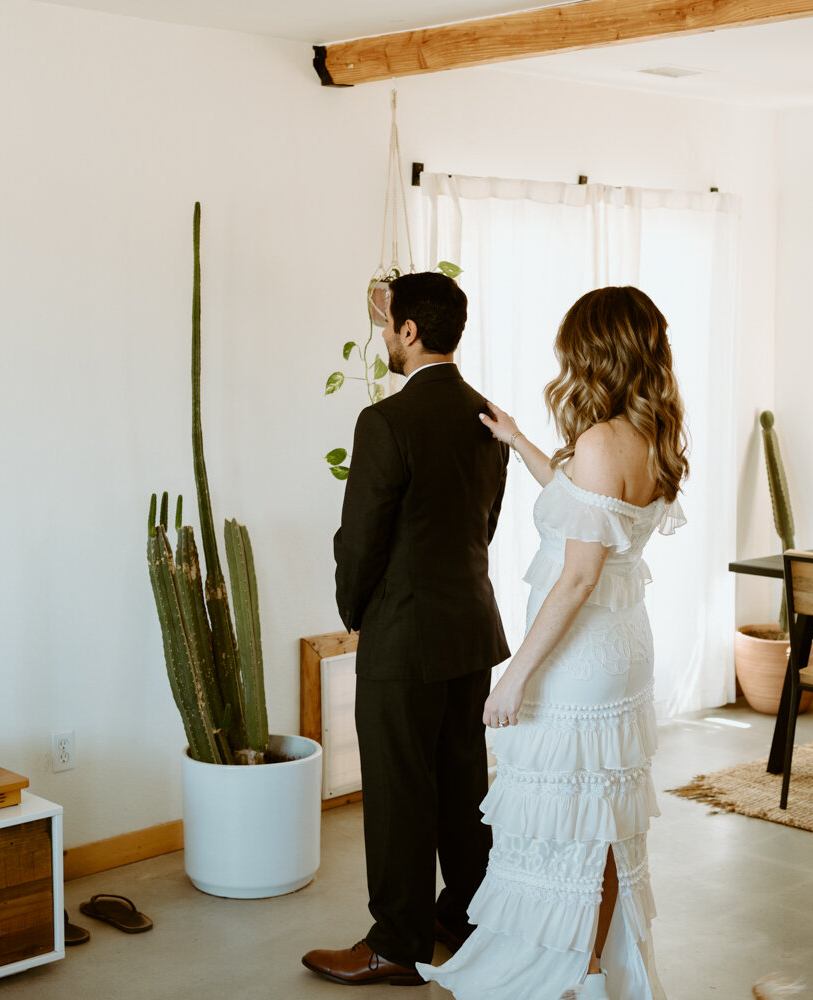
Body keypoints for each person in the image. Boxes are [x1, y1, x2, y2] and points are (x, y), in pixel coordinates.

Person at [418, 286, 687, 1000]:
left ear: (595, 352)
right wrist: (519, 441)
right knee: (598, 823)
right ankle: (591, 970)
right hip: (622, 653)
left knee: (559, 822)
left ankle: (558, 973)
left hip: (578, 661)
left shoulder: (601, 443)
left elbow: (575, 579)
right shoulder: (650, 437)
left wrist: (514, 679)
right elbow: (585, 510)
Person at [303, 271, 511, 986]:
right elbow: (484, 524)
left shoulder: (385, 422)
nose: (384, 336)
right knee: (462, 781)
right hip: (470, 629)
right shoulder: (489, 416)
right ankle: (465, 915)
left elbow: (360, 540)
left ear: (411, 332)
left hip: (403, 631)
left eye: (389, 323)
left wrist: (355, 610)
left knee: (396, 791)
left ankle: (396, 941)